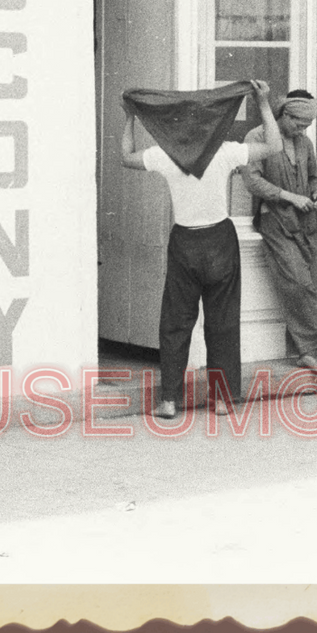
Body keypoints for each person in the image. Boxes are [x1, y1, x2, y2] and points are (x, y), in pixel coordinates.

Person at [120, 79, 282, 419]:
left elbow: (126, 157)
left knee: (175, 323)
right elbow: (274, 146)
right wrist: (263, 103)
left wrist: (130, 116)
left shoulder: (166, 155)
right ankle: (222, 400)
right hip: (220, 239)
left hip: (185, 241)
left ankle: (169, 400)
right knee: (223, 322)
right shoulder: (223, 151)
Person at [242, 89, 317, 372]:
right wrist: (289, 196)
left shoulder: (304, 142)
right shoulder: (257, 137)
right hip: (275, 220)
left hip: (309, 222)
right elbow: (252, 181)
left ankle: (306, 352)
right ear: (284, 114)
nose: (303, 130)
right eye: (299, 124)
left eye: (307, 126)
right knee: (297, 283)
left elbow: (314, 175)